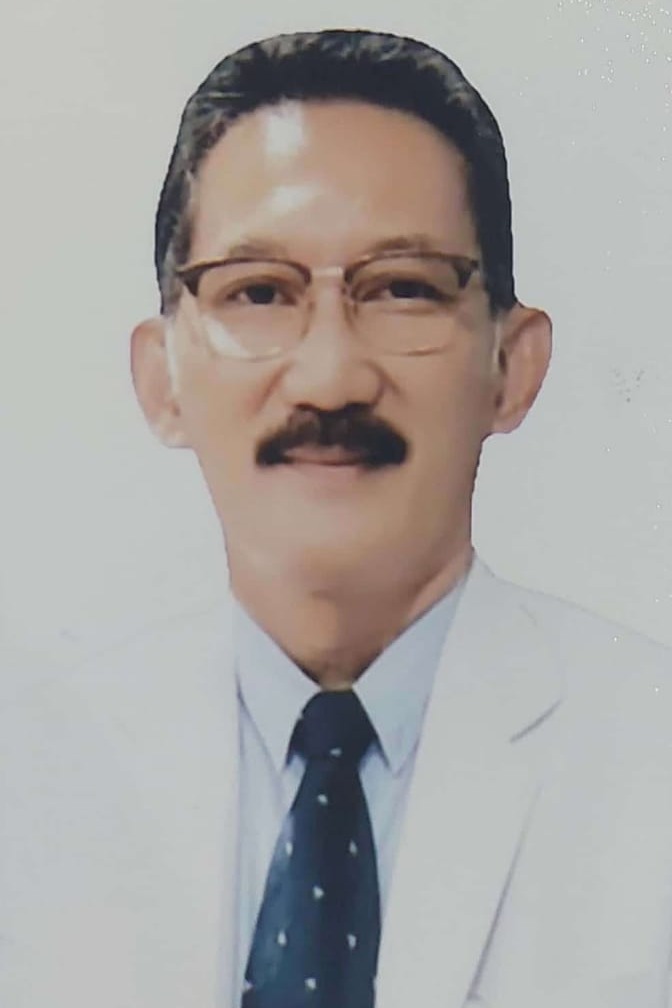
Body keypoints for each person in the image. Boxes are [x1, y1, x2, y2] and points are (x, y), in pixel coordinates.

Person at [2, 28, 672, 1008]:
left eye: (403, 290)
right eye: (258, 293)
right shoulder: (26, 779)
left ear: (512, 365)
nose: (328, 377)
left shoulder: (653, 764)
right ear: (162, 379)